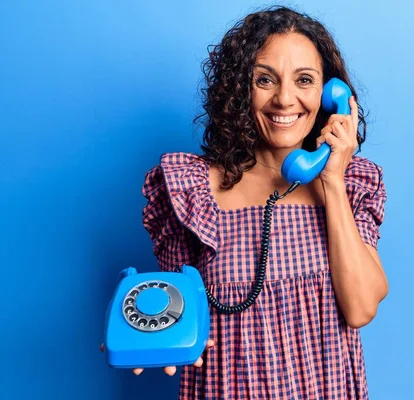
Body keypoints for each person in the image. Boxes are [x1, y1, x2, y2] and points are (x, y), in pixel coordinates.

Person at [138, 5, 388, 399]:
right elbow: (176, 313)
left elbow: (360, 308)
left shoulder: (350, 185)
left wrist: (332, 182)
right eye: (265, 80)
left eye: (304, 80)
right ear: (241, 89)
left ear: (330, 95)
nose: (285, 99)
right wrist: (145, 340)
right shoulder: (192, 191)